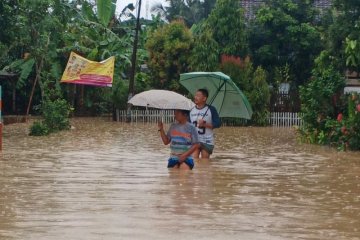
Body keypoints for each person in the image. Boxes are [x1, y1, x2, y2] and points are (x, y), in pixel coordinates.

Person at [190, 89, 221, 159]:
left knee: (205, 163)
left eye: (198, 96)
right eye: (195, 95)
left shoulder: (211, 109)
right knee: (194, 162)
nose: (195, 97)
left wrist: (205, 125)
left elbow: (218, 123)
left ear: (204, 98)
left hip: (207, 141)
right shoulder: (191, 110)